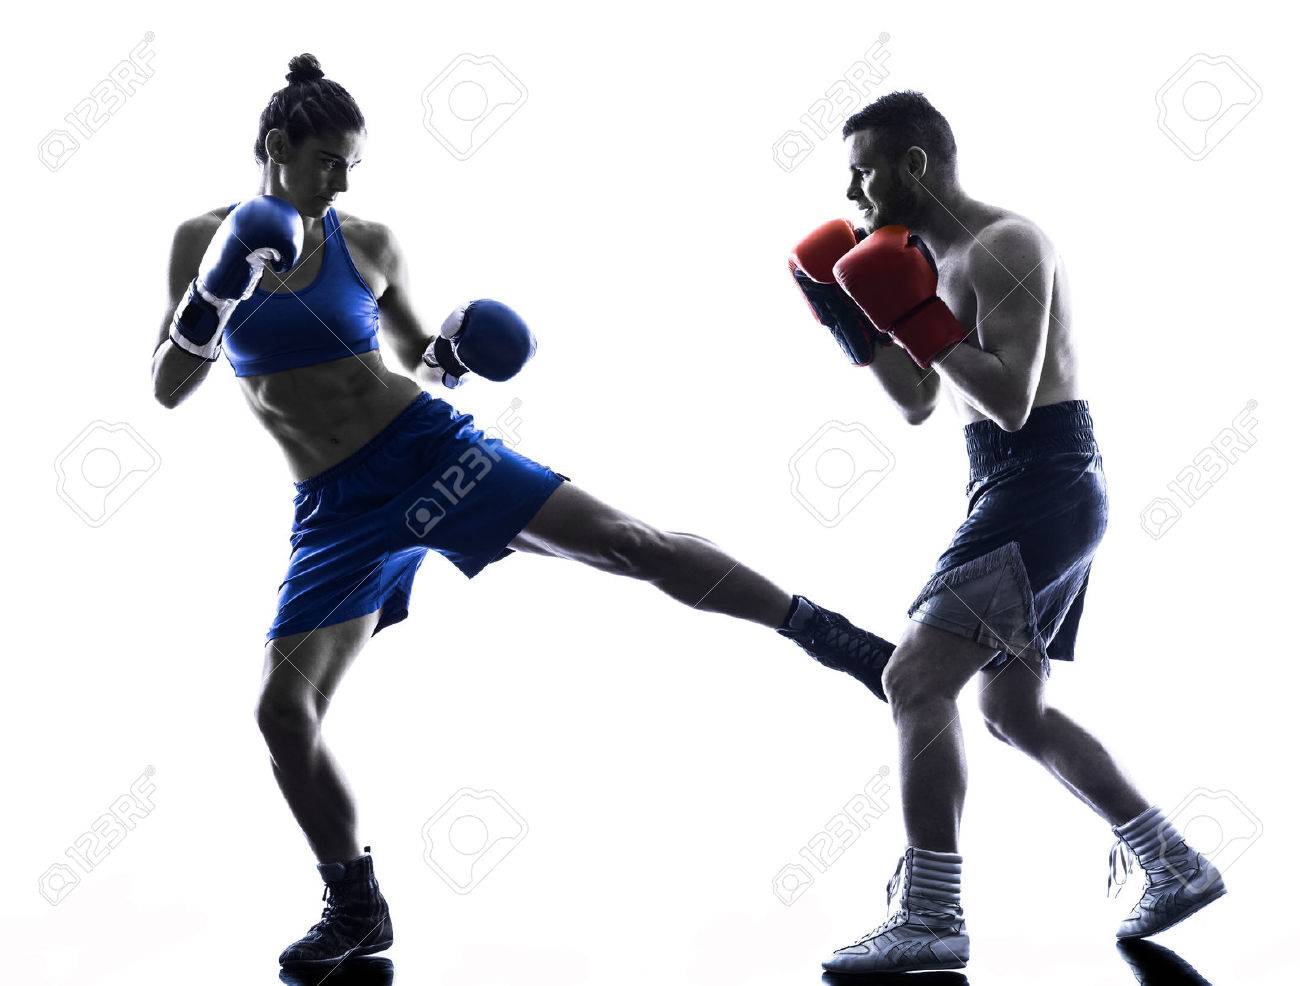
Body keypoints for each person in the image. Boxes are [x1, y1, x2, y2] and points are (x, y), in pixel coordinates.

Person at [150, 53, 892, 969]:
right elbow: (168, 386)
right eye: (330, 161)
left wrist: (454, 352)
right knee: (281, 712)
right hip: (334, 511)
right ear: (278, 148)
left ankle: (835, 638)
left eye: (353, 164)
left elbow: (420, 355)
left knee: (628, 543)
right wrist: (217, 293)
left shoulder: (370, 242)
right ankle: (356, 909)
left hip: (429, 454)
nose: (342, 181)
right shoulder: (204, 238)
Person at [786, 91, 1225, 975]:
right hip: (1012, 482)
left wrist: (908, 312)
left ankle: (930, 916)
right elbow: (917, 404)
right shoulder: (920, 256)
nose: (853, 192)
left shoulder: (1005, 243)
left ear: (914, 164)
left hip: (1046, 479)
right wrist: (847, 315)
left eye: (864, 170)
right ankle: (1174, 861)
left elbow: (1012, 397)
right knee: (1010, 710)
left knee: (915, 679)